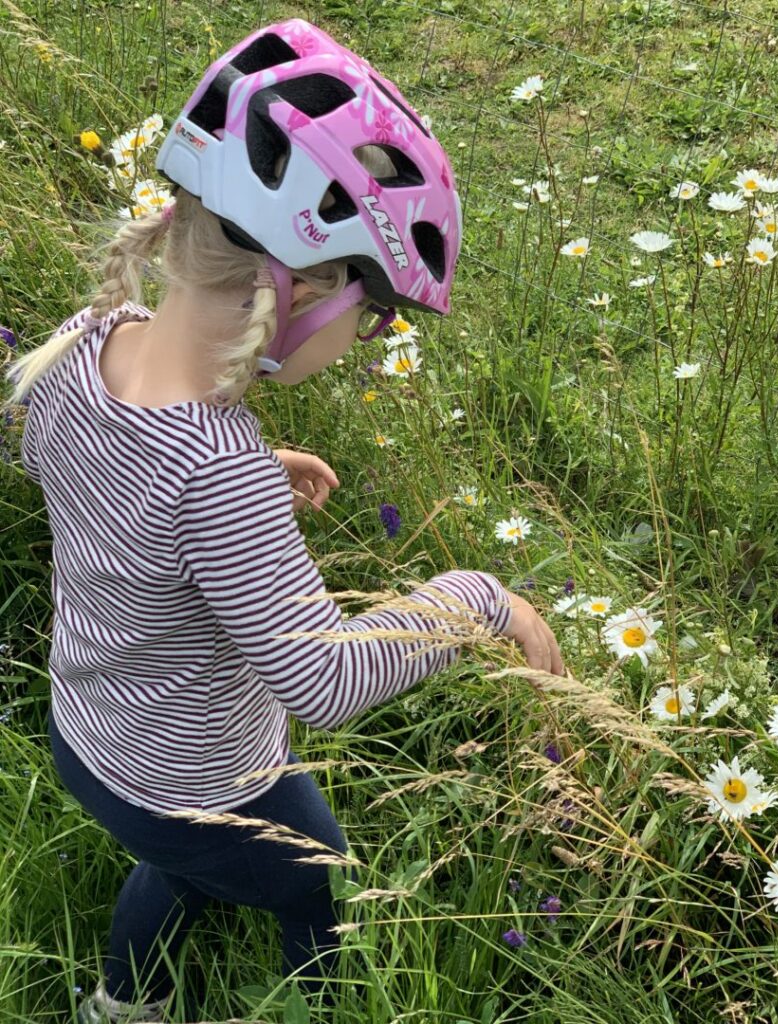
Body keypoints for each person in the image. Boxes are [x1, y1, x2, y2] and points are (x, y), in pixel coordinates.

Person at [4, 17, 563, 1024]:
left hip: (87, 736)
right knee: (321, 883)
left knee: (175, 868)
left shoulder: (86, 344)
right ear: (299, 290)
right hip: (201, 777)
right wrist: (484, 602)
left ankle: (118, 1004)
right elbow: (324, 677)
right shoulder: (215, 473)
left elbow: (115, 473)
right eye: (377, 314)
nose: (369, 338)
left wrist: (253, 463)